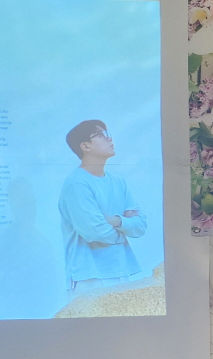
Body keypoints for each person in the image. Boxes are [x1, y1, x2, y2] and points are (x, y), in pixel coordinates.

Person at [58, 120, 147, 294]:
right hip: (90, 278)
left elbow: (141, 226)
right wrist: (124, 230)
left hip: (122, 272)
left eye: (107, 134)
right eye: (100, 135)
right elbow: (94, 232)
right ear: (85, 146)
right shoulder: (77, 184)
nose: (109, 138)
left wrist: (116, 221)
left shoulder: (118, 182)